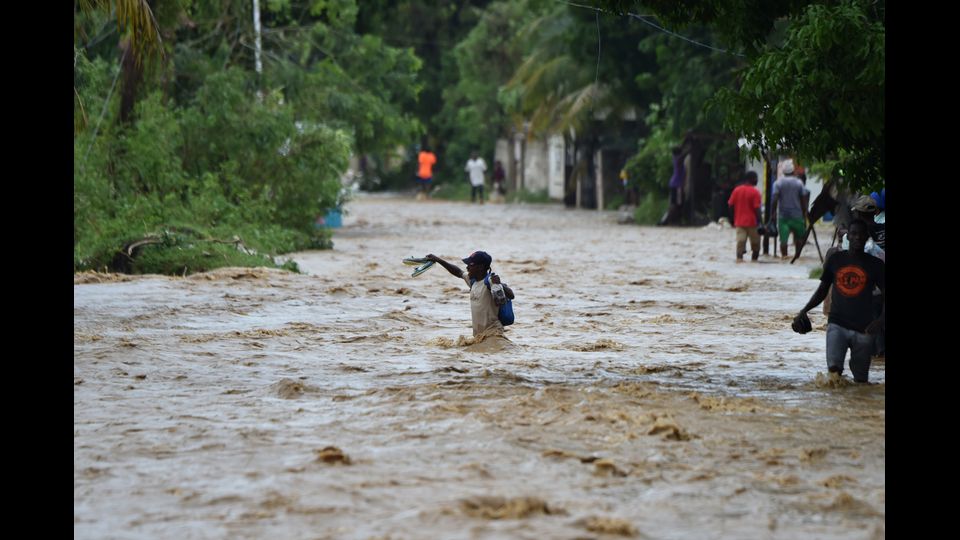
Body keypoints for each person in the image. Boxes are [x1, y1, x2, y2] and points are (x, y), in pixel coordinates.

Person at [792, 219, 885, 383]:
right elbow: (822, 290)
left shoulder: (876, 265)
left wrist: (880, 321)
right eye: (854, 234)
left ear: (866, 237)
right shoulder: (835, 260)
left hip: (864, 329)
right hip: (837, 324)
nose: (857, 237)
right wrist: (804, 310)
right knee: (834, 373)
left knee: (861, 380)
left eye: (861, 234)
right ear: (847, 236)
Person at [426, 251, 515, 339]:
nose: (467, 267)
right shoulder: (473, 282)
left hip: (494, 335)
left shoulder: (490, 281)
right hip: (480, 337)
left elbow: (511, 295)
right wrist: (438, 260)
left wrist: (500, 285)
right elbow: (458, 272)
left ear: (480, 267)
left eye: (470, 265)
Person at [770, 159, 810, 259]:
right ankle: (796, 256)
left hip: (783, 216)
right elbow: (803, 199)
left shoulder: (778, 183)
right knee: (799, 238)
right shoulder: (799, 183)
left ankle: (784, 256)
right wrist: (805, 212)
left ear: (783, 172)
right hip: (797, 215)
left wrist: (773, 213)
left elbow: (774, 199)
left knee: (783, 240)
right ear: (793, 171)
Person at [727, 171, 762, 262]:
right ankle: (754, 262)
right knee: (756, 246)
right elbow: (757, 209)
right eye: (756, 178)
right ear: (752, 179)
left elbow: (730, 205)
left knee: (740, 244)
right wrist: (761, 222)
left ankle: (739, 261)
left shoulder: (736, 190)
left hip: (739, 223)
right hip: (753, 224)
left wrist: (732, 219)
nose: (757, 180)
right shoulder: (755, 192)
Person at [659, 146, 686, 226]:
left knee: (675, 203)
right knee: (677, 204)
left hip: (675, 184)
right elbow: (682, 156)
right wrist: (689, 149)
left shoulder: (676, 159)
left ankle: (667, 220)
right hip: (677, 185)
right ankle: (670, 220)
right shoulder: (678, 159)